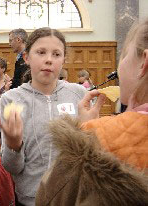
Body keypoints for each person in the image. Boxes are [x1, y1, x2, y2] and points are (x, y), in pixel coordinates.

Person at [36, 18, 148, 206]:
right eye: (41, 52)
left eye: (124, 54)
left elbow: (50, 198)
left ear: (144, 63)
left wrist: (85, 131)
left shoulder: (92, 138)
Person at [0, 27, 87, 206]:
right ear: (27, 58)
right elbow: (11, 167)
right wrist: (14, 146)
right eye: (41, 52)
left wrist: (91, 132)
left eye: (56, 54)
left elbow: (91, 158)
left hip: (74, 198)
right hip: (31, 199)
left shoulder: (79, 94)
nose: (48, 59)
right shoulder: (11, 100)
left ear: (64, 60)